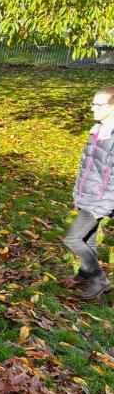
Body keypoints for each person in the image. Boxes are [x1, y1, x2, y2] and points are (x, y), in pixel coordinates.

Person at [64, 86, 114, 299]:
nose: (92, 108)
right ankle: (84, 276)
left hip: (100, 201)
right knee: (88, 240)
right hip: (88, 196)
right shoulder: (97, 130)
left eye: (98, 104)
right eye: (92, 103)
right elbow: (87, 167)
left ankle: (99, 279)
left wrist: (102, 208)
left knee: (72, 239)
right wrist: (79, 194)